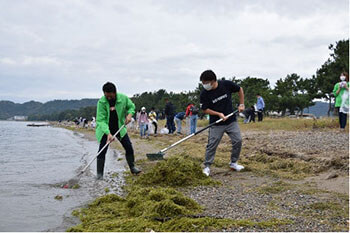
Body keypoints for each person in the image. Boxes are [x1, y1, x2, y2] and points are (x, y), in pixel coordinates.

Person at [199, 70, 245, 176]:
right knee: (212, 144)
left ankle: (233, 163)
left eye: (206, 83)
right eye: (203, 83)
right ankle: (207, 166)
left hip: (231, 121)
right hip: (216, 123)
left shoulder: (226, 84)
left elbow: (240, 89)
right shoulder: (204, 93)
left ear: (213, 81)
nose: (204, 85)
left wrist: (241, 104)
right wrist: (218, 114)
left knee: (238, 140)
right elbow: (205, 109)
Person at [95, 82, 141, 179]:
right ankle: (99, 175)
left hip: (119, 127)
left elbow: (131, 107)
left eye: (110, 96)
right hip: (105, 129)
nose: (108, 98)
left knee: (128, 147)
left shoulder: (123, 98)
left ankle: (132, 167)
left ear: (115, 92)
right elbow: (100, 120)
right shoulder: (101, 102)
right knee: (102, 151)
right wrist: (108, 133)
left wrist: (129, 115)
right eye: (106, 96)